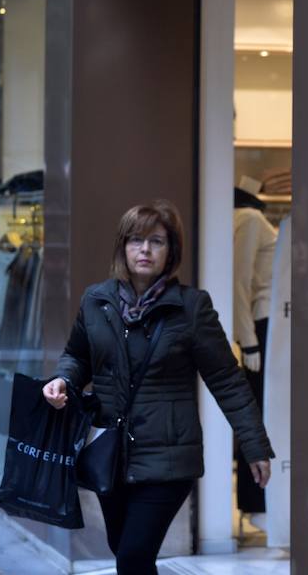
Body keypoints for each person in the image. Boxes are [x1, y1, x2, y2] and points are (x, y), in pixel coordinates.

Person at [42, 200, 274, 575]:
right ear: (123, 247)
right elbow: (77, 356)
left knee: (133, 556)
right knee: (127, 554)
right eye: (135, 240)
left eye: (156, 241)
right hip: (110, 453)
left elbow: (227, 380)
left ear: (172, 250)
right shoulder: (96, 300)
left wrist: (254, 445)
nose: (145, 250)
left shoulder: (191, 308)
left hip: (168, 457)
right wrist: (63, 379)